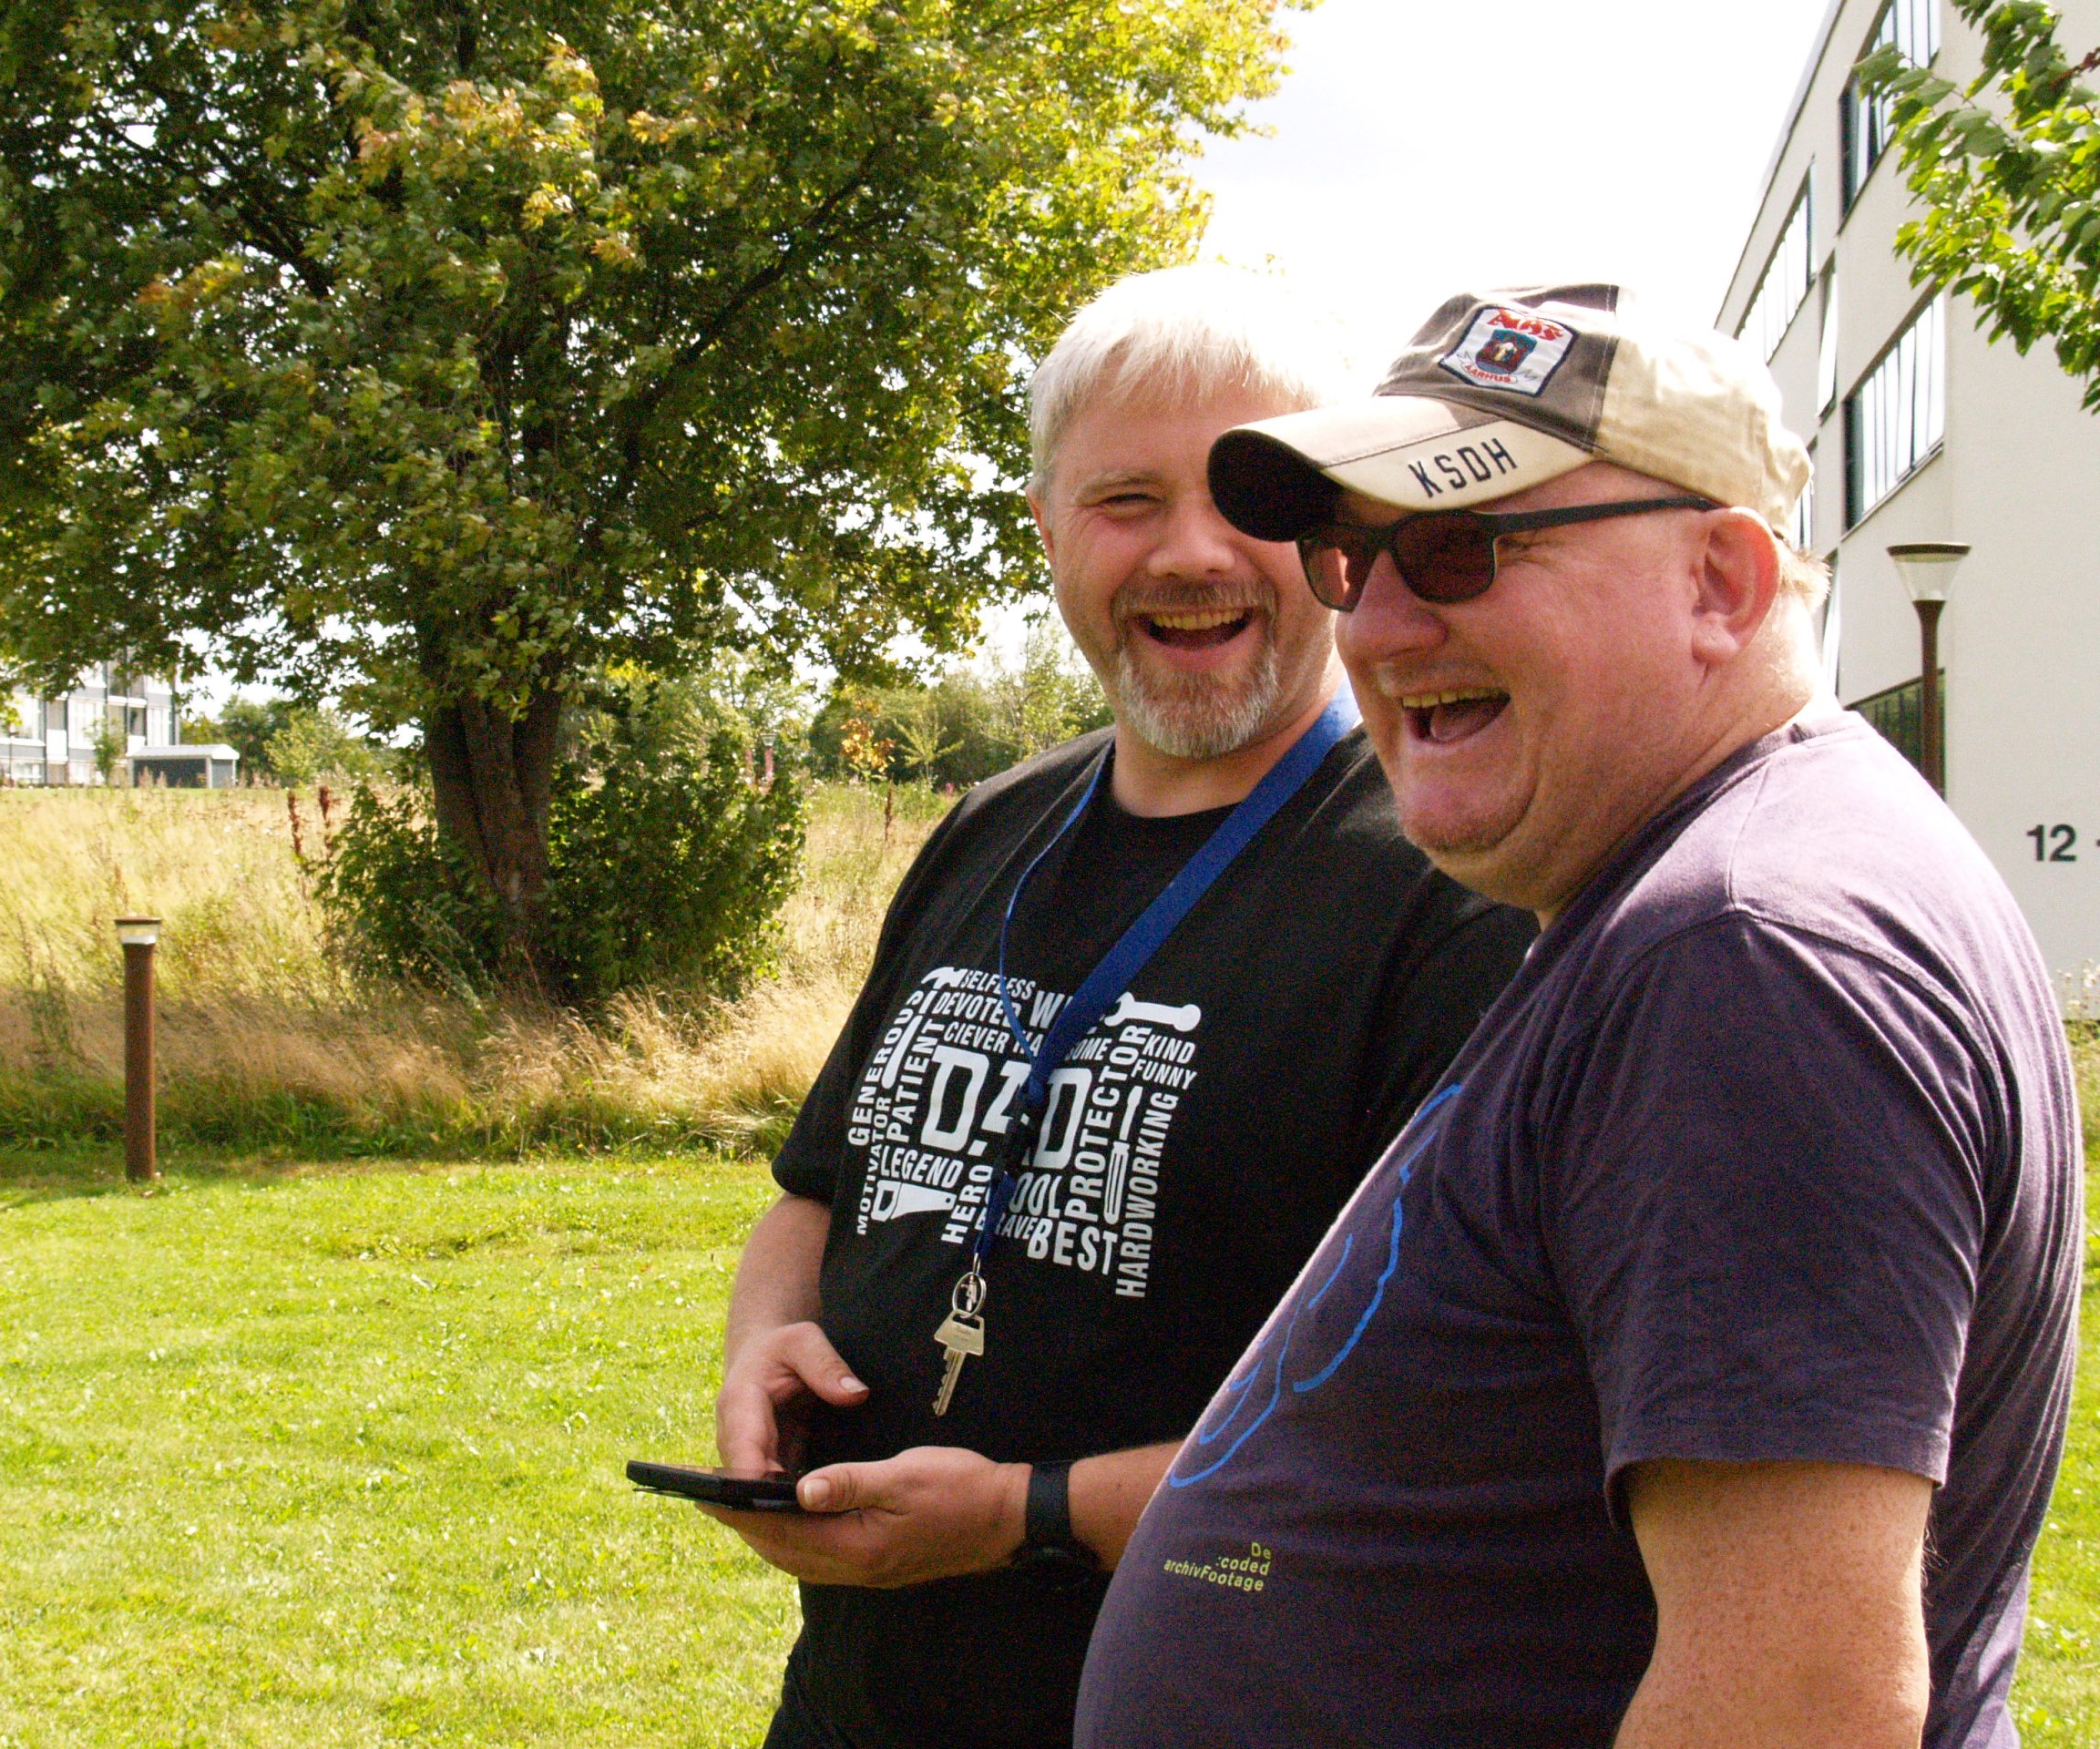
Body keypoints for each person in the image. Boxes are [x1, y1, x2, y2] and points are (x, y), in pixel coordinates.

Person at [1077, 285, 2085, 1749]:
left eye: (1461, 547)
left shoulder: (1748, 955)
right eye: (1351, 556)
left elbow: (1796, 1703)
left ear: (1721, 584)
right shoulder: (1701, 896)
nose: (1377, 622)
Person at [702, 266, 1537, 1749]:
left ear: (1339, 533)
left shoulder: (1447, 888)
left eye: (1249, 500)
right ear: (1048, 530)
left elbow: (1436, 1428)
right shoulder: (991, 825)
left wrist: (1023, 1515)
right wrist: (765, 1341)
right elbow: (819, 1191)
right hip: (858, 1703)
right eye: (1127, 500)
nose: (1191, 553)